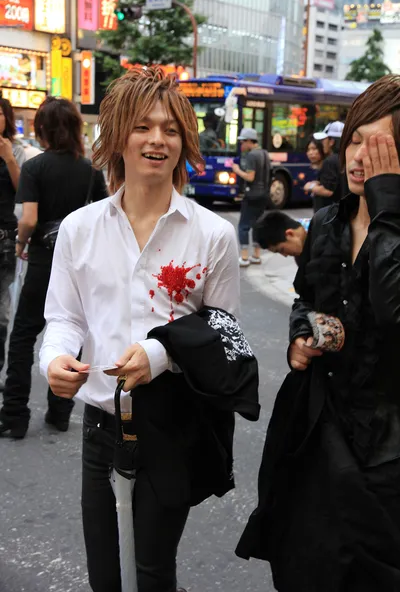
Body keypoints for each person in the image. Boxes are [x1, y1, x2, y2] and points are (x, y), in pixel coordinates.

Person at [37, 67, 256, 592]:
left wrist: (160, 354)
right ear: (116, 137)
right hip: (101, 423)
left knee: (153, 570)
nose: (157, 139)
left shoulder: (213, 234)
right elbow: (64, 317)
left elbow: (224, 333)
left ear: (183, 142)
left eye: (171, 129)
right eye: (142, 126)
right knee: (106, 575)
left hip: (172, 423)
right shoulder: (79, 228)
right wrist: (54, 359)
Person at [236, 74, 400, 590]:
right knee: (309, 562)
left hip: (389, 445)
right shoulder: (327, 221)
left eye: (375, 146)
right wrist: (301, 336)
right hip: (322, 426)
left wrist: (388, 209)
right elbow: (306, 297)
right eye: (354, 139)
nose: (357, 157)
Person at [0, 97, 108, 440]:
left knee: (23, 337)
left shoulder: (35, 167)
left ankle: (14, 416)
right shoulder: (90, 170)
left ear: (42, 129)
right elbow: (103, 215)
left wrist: (21, 243)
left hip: (44, 260)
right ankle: (59, 411)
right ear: (76, 128)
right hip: (77, 263)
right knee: (70, 331)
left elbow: (28, 218)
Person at [0, 99, 26, 391]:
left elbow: (23, 193)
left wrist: (8, 158)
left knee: (2, 312)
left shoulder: (15, 150)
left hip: (4, 236)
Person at [232, 127, 271, 267]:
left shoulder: (251, 156)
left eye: (243, 142)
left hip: (252, 195)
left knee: (243, 226)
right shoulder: (265, 153)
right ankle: (256, 255)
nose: (241, 145)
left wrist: (236, 170)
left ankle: (244, 257)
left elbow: (250, 176)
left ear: (249, 141)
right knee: (257, 225)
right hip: (264, 195)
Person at [310, 120, 344, 212]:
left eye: (324, 140)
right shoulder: (346, 158)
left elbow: (328, 190)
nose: (321, 143)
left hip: (329, 215)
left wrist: (310, 187)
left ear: (331, 142)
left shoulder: (330, 161)